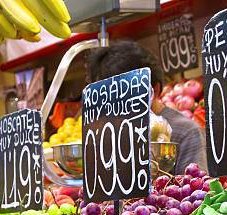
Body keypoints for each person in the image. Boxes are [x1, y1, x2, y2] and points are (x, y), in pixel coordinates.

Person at [86, 41, 208, 175]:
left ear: (154, 90)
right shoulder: (109, 134)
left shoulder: (186, 133)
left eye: (123, 95)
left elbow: (195, 190)